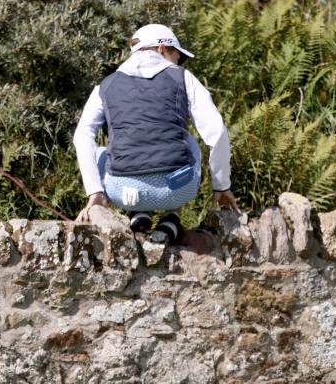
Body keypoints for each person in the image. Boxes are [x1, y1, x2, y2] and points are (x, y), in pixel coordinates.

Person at [73, 23, 238, 242]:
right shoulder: (183, 78)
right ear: (161, 48)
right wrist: (221, 186)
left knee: (100, 153)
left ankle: (137, 212)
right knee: (187, 140)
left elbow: (82, 135)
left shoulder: (105, 85)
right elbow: (216, 132)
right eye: (177, 55)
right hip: (178, 189)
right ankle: (172, 216)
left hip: (121, 191)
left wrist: (95, 192)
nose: (178, 62)